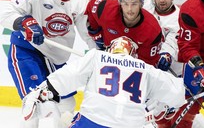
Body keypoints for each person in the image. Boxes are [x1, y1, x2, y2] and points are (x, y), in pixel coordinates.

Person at [0, 0, 95, 127]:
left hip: (55, 57)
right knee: (34, 103)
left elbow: (88, 35)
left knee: (67, 104)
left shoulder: (79, 2)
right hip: (26, 49)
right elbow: (5, 13)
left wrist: (101, 54)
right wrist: (24, 22)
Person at [22, 36, 186, 128]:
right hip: (131, 125)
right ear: (132, 54)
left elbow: (69, 76)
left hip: (93, 121)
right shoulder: (145, 68)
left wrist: (44, 91)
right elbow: (177, 94)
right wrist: (163, 106)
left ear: (110, 49)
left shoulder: (97, 56)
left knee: (67, 120)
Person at [85, 0, 172, 71]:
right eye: (126, 4)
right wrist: (96, 34)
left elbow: (148, 67)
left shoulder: (153, 29)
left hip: (133, 69)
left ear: (141, 3)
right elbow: (92, 5)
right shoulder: (106, 9)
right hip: (105, 58)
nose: (130, 9)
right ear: (120, 3)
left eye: (134, 4)